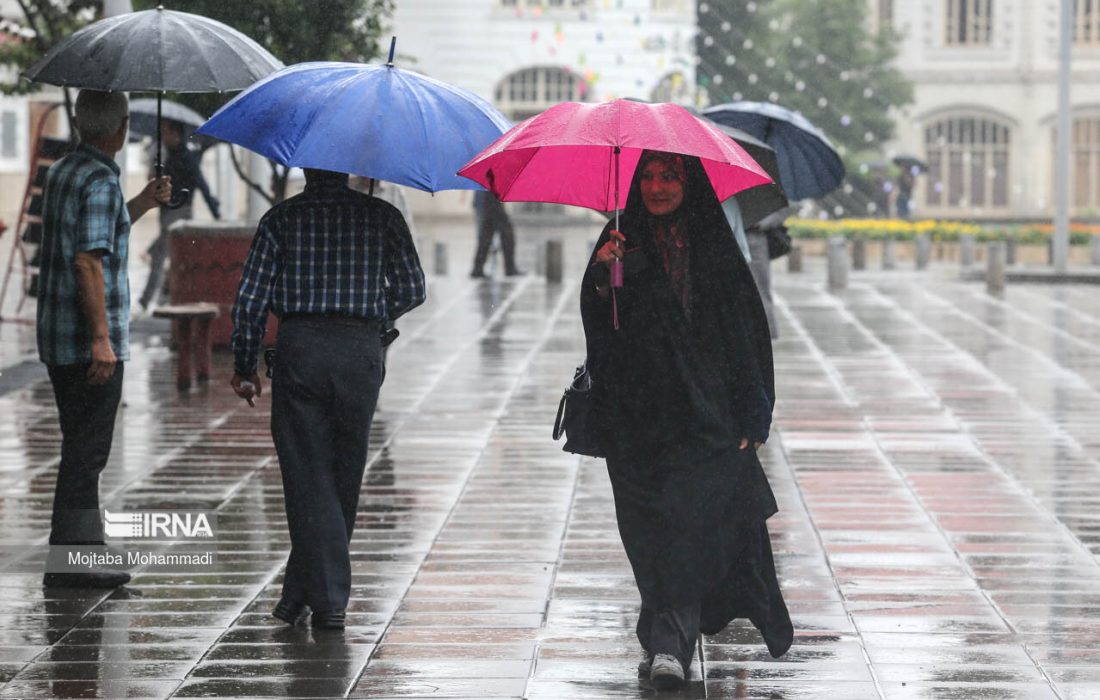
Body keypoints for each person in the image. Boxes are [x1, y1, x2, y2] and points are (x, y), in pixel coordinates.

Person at [581, 150, 792, 689]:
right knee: (646, 531)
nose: (656, 187)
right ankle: (660, 633)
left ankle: (671, 645)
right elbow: (602, 324)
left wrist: (754, 413)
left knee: (685, 527)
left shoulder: (713, 244)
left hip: (703, 417)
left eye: (668, 176)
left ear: (688, 182)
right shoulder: (620, 238)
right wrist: (604, 276)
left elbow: (745, 333)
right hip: (635, 418)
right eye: (648, 176)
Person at [229, 167, 425, 630]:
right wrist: (372, 315)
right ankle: (300, 594)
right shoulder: (383, 216)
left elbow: (251, 299)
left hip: (302, 349)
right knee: (342, 474)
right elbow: (413, 290)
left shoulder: (281, 219)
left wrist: (244, 364)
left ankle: (329, 600)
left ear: (304, 166)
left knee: (306, 474)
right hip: (360, 352)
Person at [37, 89, 171, 587]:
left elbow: (99, 234)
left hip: (56, 335)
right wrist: (101, 339)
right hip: (83, 341)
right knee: (87, 451)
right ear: (120, 127)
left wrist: (141, 201)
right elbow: (87, 260)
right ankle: (70, 564)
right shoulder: (98, 180)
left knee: (80, 446)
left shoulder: (65, 171)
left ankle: (78, 549)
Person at [138, 119, 220, 311]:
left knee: (160, 258)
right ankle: (162, 297)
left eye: (166, 132)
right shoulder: (170, 156)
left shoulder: (186, 157)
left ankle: (146, 300)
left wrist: (216, 213)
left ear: (176, 133)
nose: (163, 136)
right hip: (167, 212)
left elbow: (202, 184)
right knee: (168, 257)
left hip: (179, 213)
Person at [745, 209, 785, 340]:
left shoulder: (765, 192)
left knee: (761, 289)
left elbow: (779, 212)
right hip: (730, 240)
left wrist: (759, 223)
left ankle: (767, 332)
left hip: (755, 241)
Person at [470, 189, 523, 278]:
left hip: (491, 198)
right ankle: (509, 268)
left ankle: (477, 269)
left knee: (486, 235)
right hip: (492, 198)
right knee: (506, 232)